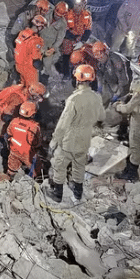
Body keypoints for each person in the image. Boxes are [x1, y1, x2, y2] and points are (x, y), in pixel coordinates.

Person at [47, 65, 105, 203]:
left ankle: (57, 194)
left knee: (59, 165)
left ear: (78, 80)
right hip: (85, 139)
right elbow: (102, 116)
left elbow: (63, 124)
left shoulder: (74, 99)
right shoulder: (97, 97)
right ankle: (78, 193)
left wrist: (54, 141)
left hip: (69, 140)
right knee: (79, 165)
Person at [5, 101, 42, 179]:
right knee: (36, 167)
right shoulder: (34, 126)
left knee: (12, 168)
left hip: (14, 150)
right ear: (33, 114)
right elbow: (36, 142)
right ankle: (37, 179)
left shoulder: (14, 121)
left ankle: (9, 178)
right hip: (27, 154)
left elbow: (9, 132)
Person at [40, 2, 69, 81]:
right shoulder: (47, 12)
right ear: (54, 10)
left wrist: (53, 48)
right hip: (39, 38)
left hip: (49, 43)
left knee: (47, 63)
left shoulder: (63, 24)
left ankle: (46, 76)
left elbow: (60, 39)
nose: (57, 17)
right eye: (56, 14)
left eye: (60, 16)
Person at [14, 16, 46, 87]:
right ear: (39, 26)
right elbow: (35, 57)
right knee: (32, 88)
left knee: (23, 84)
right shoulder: (36, 40)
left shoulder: (22, 33)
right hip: (28, 68)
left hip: (18, 65)